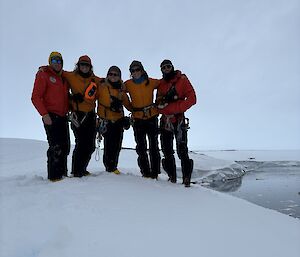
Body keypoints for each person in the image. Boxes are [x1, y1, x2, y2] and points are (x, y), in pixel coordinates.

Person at [156, 59, 196, 187]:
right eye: (163, 67)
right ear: (161, 70)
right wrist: (163, 106)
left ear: (172, 67)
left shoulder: (182, 80)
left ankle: (186, 178)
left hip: (178, 120)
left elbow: (192, 98)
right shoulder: (161, 84)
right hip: (165, 121)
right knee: (167, 150)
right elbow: (158, 104)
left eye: (168, 66)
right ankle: (172, 176)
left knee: (182, 150)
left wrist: (176, 107)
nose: (166, 69)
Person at [31, 51, 70, 182]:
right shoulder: (44, 74)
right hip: (51, 116)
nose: (57, 63)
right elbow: (35, 97)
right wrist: (44, 114)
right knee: (55, 146)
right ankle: (54, 177)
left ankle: (63, 175)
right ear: (49, 62)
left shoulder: (63, 78)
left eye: (59, 61)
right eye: (54, 61)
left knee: (65, 146)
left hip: (63, 117)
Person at [62, 55, 101, 177]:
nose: (84, 67)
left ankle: (82, 169)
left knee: (90, 146)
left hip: (90, 116)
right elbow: (55, 71)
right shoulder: (70, 76)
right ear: (78, 65)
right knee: (81, 143)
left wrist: (121, 84)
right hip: (77, 116)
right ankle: (76, 171)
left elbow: (108, 81)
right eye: (82, 64)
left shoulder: (95, 79)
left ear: (90, 67)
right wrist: (71, 97)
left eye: (87, 65)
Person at [124, 61, 160, 179]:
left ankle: (154, 172)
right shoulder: (128, 84)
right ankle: (145, 172)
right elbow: (118, 90)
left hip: (152, 117)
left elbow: (163, 83)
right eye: (132, 71)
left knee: (154, 146)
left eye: (137, 69)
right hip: (138, 118)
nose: (135, 72)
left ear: (142, 70)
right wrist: (129, 107)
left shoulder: (151, 82)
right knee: (141, 146)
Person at [96, 66, 131, 174]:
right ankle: (109, 168)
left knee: (117, 146)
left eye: (115, 74)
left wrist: (135, 115)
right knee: (109, 145)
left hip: (119, 121)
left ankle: (113, 167)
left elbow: (129, 106)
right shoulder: (101, 87)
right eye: (110, 74)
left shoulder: (122, 90)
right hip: (106, 121)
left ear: (119, 77)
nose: (112, 76)